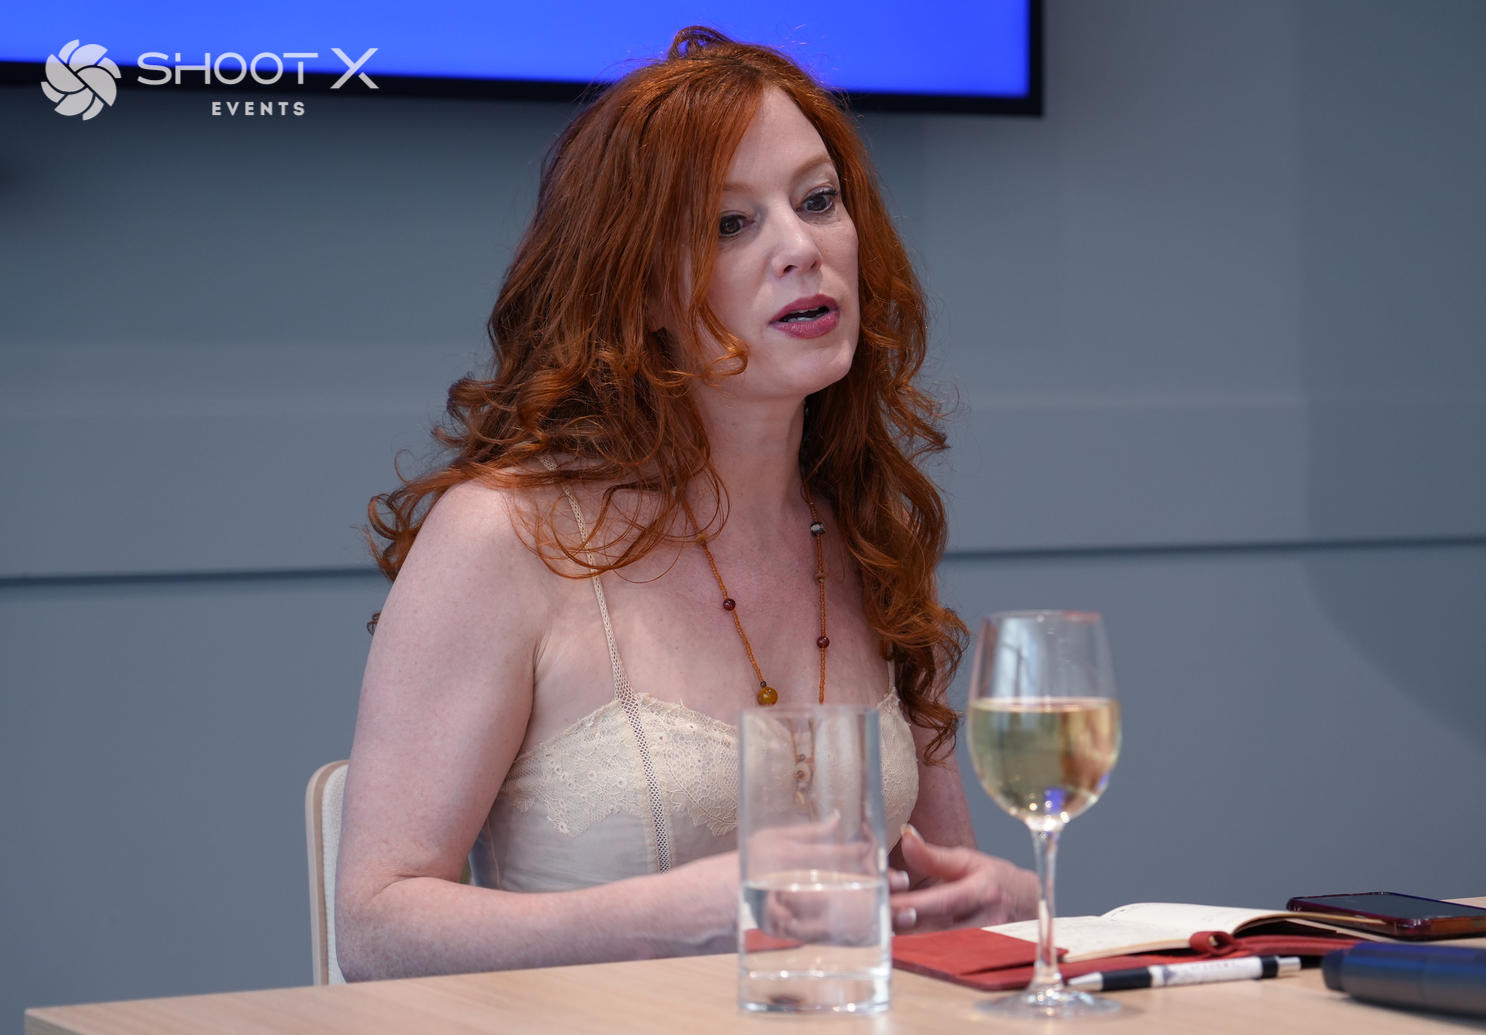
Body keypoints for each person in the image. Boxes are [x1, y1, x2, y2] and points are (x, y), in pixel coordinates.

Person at [334, 28, 1037, 981]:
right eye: (728, 224)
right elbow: (375, 929)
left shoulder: (867, 531)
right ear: (640, 291)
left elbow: (934, 902)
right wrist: (667, 919)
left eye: (818, 201)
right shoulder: (501, 535)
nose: (801, 248)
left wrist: (1009, 901)